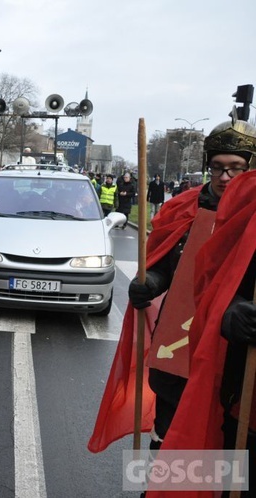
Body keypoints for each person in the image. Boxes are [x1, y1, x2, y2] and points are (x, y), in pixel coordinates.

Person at [88, 117, 256, 457]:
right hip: (180, 345)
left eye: (236, 169)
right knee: (168, 441)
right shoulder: (186, 207)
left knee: (220, 452)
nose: (225, 177)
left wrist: (237, 309)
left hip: (234, 357)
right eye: (217, 167)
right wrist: (148, 283)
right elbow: (169, 266)